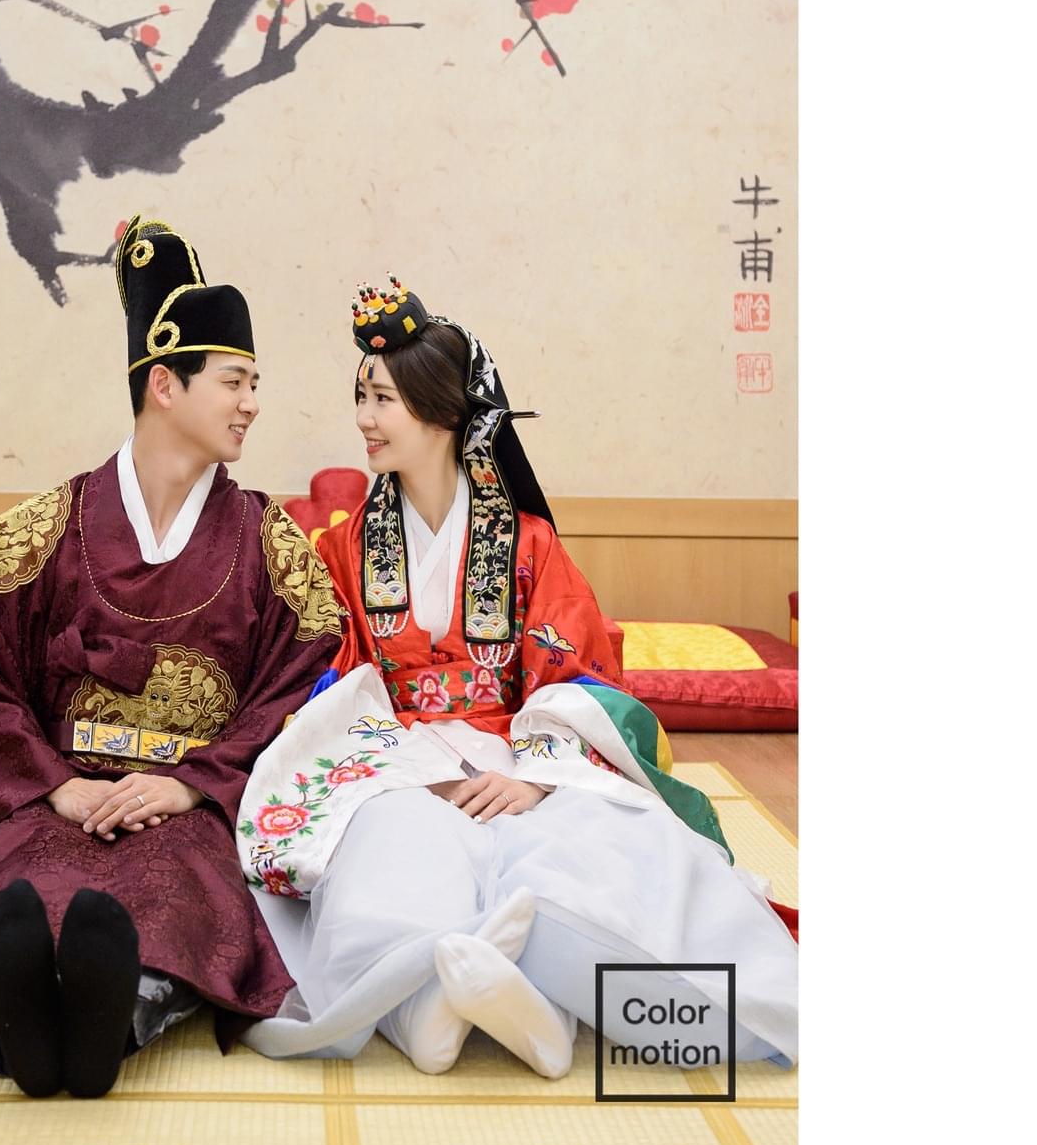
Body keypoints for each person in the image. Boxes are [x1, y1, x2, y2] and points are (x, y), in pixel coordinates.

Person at [0, 215, 343, 1099]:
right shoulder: (35, 534)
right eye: (235, 381)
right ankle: (10, 1027)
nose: (252, 404)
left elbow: (298, 693)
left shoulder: (272, 546)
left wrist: (195, 783)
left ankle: (104, 1025)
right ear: (165, 384)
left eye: (254, 384)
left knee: (175, 887)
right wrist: (55, 787)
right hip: (60, 791)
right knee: (29, 881)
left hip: (188, 804)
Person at [235, 279, 799, 1077]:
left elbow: (580, 677)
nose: (363, 418)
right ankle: (438, 1014)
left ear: (442, 413)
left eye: (383, 399)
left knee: (597, 862)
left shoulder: (529, 544)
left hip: (518, 755)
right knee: (388, 866)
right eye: (360, 397)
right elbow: (328, 680)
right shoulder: (343, 549)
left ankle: (534, 1009)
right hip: (398, 764)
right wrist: (401, 769)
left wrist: (538, 777)